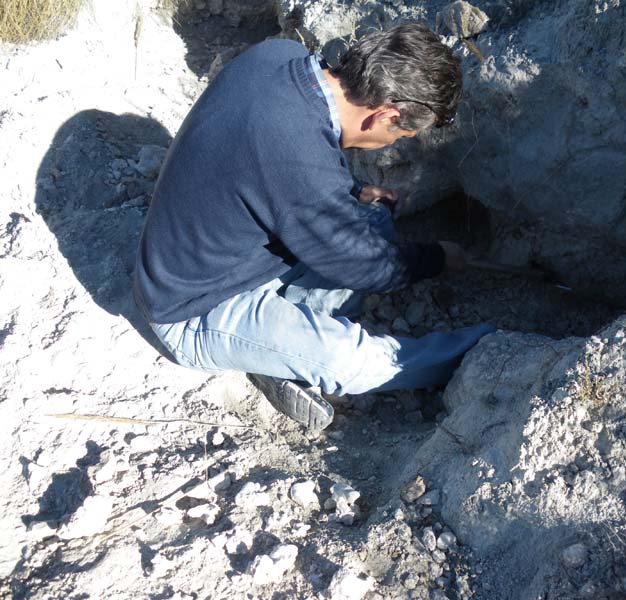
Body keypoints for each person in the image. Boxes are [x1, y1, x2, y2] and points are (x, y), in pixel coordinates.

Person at [133, 23, 495, 430]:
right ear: (386, 116)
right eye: (403, 135)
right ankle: (480, 349)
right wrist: (437, 258)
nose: (396, 143)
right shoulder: (293, 155)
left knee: (376, 221)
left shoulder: (279, 56)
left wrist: (352, 191)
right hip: (194, 308)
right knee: (351, 361)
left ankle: (274, 355)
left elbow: (278, 167)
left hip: (226, 254)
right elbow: (369, 267)